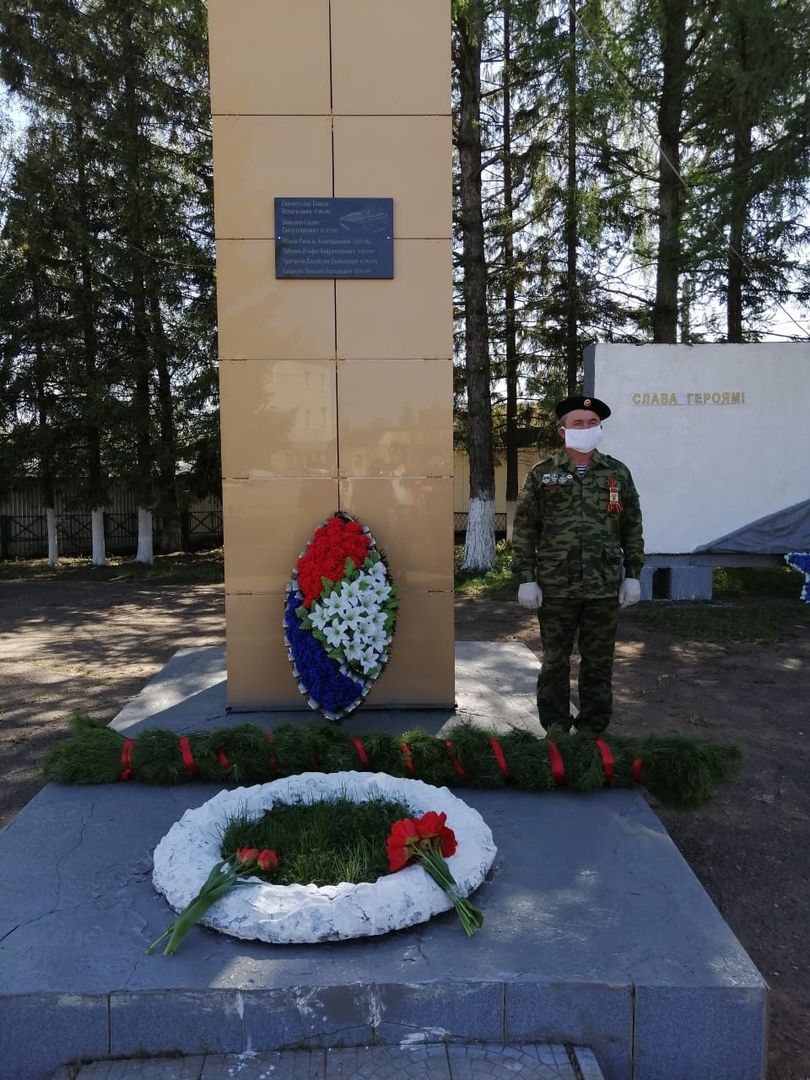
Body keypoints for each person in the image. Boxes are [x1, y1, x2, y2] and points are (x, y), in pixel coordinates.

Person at [512, 395, 644, 735]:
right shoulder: (543, 475)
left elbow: (631, 526)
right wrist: (526, 578)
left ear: (599, 428)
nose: (585, 428)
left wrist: (633, 574)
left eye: (591, 423)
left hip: (603, 586)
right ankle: (556, 731)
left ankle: (592, 733)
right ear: (562, 431)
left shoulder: (617, 473)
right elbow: (526, 528)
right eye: (577, 423)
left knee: (599, 663)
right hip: (557, 586)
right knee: (555, 662)